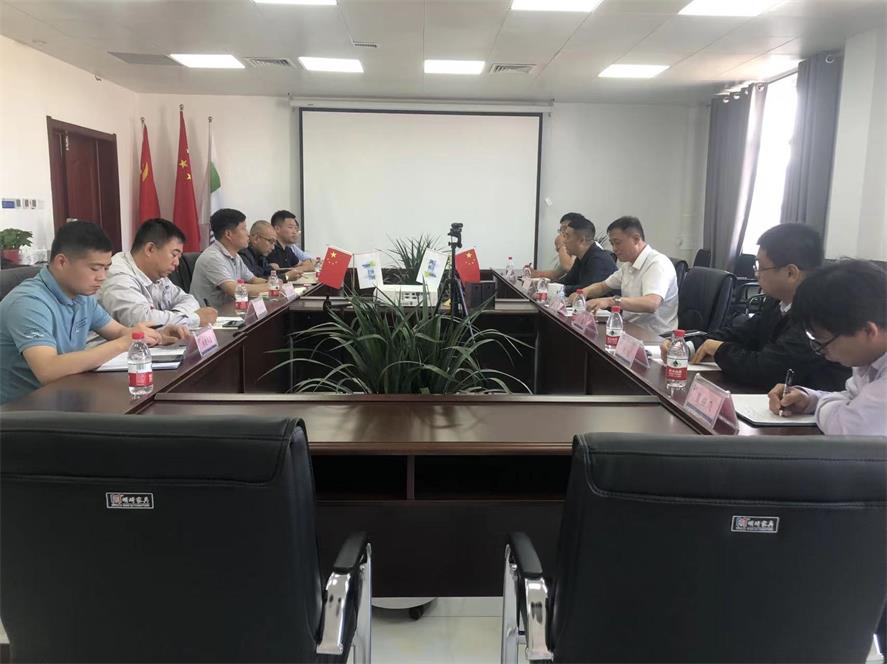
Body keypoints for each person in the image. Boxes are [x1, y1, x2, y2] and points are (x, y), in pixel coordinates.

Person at [0, 221, 179, 405]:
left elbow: (118, 331)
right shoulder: (28, 303)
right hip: (21, 412)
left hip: (64, 398)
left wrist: (155, 335)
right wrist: (124, 343)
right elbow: (48, 369)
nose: (102, 277)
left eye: (106, 268)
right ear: (61, 262)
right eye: (95, 268)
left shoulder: (82, 296)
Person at [663, 224, 849, 391]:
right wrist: (686, 347)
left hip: (813, 414)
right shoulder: (778, 302)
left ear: (791, 273)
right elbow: (741, 334)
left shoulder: (819, 313)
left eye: (761, 267)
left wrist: (720, 350)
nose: (756, 274)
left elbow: (770, 369)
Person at [767, 260, 887, 435]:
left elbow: (847, 428)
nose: (821, 351)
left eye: (823, 342)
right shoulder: (870, 356)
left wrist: (826, 406)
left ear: (868, 331)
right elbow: (852, 397)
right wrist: (809, 399)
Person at [99, 218, 217, 329]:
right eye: (174, 255)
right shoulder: (118, 275)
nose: (177, 263)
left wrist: (176, 317)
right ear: (150, 249)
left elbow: (188, 300)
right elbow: (143, 321)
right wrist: (193, 319)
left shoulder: (156, 274)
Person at [569, 216, 678, 336]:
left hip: (655, 337)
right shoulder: (628, 265)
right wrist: (583, 293)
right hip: (629, 330)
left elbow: (651, 303)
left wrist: (611, 301)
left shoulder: (657, 263)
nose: (614, 249)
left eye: (618, 243)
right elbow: (603, 286)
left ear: (636, 239)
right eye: (612, 244)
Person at [190, 208, 269, 309]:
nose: (248, 234)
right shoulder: (212, 258)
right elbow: (234, 290)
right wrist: (269, 287)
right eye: (243, 229)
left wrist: (273, 283)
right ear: (228, 234)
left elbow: (253, 280)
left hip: (229, 311)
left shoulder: (235, 256)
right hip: (211, 315)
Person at [555, 216, 616, 295]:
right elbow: (567, 281)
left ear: (581, 240)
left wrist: (560, 288)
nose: (564, 241)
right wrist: (549, 286)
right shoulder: (581, 257)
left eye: (567, 236)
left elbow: (588, 290)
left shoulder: (598, 259)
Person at [239, 220, 308, 282]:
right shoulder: (243, 255)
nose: (273, 247)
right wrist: (286, 277)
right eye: (271, 241)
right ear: (256, 239)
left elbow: (268, 273)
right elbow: (256, 281)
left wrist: (290, 272)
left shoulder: (260, 255)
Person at [530, 212, 582, 280]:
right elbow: (555, 274)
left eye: (565, 229)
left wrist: (561, 245)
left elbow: (568, 267)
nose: (562, 234)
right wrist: (534, 273)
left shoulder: (582, 247)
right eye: (561, 230)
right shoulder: (570, 251)